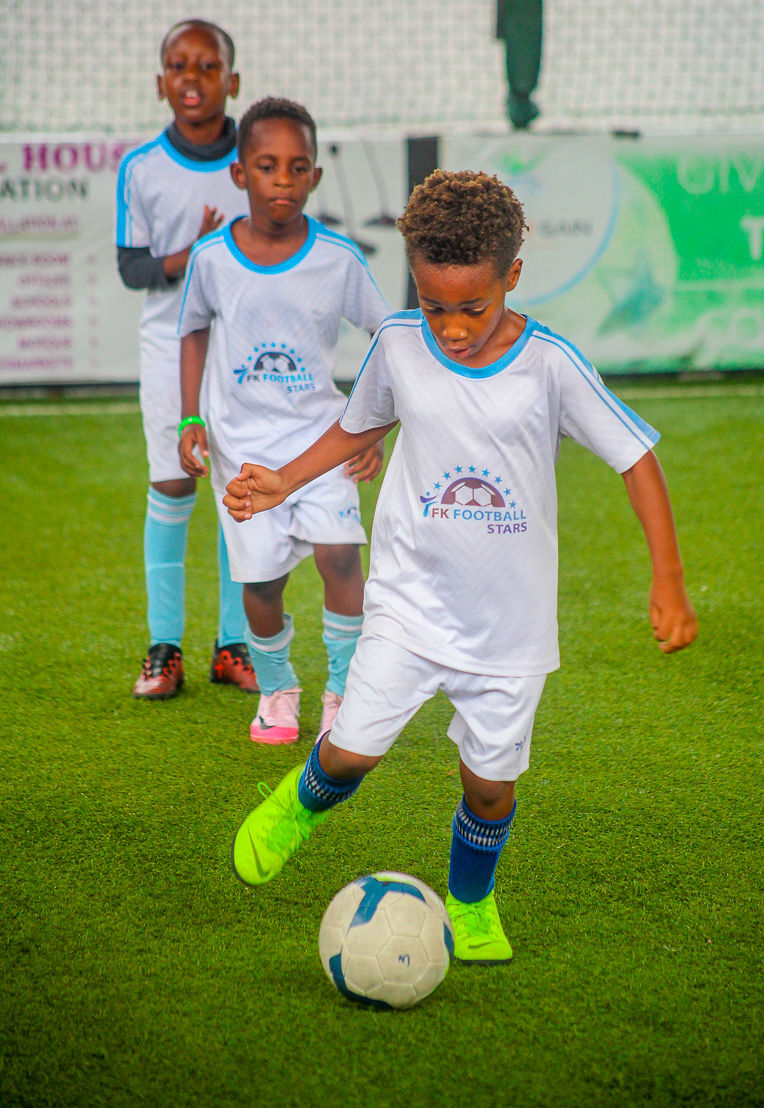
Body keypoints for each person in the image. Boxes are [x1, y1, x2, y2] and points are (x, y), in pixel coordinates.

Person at [223, 169, 698, 964]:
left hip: (509, 629)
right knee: (351, 752)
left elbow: (636, 458)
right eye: (432, 304)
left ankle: (471, 904)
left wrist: (669, 579)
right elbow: (358, 426)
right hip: (409, 603)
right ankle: (299, 806)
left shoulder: (550, 364)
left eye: (471, 308)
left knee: (490, 787)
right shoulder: (398, 344)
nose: (448, 328)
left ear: (513, 276)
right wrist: (283, 481)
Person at [178, 97, 390, 744]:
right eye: (267, 166)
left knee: (341, 557)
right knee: (263, 582)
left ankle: (344, 692)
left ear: (315, 177)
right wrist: (189, 418)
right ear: (240, 173)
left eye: (299, 168)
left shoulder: (339, 258)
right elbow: (191, 331)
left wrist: (374, 429)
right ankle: (277, 689)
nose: (283, 181)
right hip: (242, 451)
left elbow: (389, 340)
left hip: (322, 442)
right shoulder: (211, 258)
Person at [116, 18, 257, 700]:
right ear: (160, 83)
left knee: (240, 491)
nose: (192, 78)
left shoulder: (258, 160)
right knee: (173, 484)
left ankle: (234, 646)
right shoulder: (141, 168)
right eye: (178, 66)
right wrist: (192, 254)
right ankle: (163, 648)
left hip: (246, 351)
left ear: (233, 81)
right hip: (169, 345)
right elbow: (132, 268)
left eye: (207, 66)